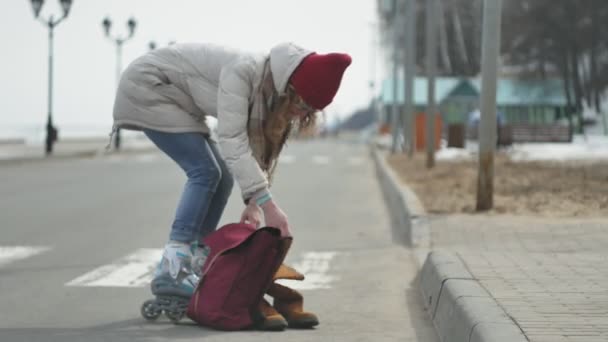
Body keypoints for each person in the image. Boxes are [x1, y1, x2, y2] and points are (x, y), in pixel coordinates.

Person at [110, 42, 351, 299]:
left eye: (307, 111)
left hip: (176, 100)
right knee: (205, 171)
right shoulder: (244, 72)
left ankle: (192, 261)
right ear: (292, 88)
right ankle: (173, 267)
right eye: (301, 105)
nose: (299, 113)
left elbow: (256, 149)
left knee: (222, 177)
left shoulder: (270, 86)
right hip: (149, 87)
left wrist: (255, 203)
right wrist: (269, 207)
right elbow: (233, 141)